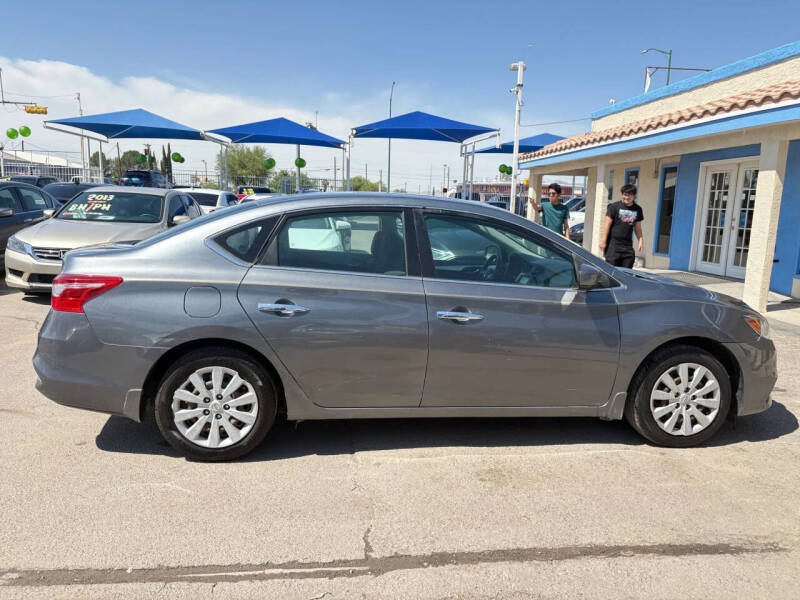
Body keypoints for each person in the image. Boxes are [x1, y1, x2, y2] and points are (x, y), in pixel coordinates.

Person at [600, 183, 644, 268]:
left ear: (634, 196)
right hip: (613, 246)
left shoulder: (637, 209)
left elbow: (638, 227)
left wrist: (640, 240)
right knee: (611, 272)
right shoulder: (614, 207)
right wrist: (603, 241)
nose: (626, 197)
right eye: (625, 194)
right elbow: (607, 225)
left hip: (627, 247)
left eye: (629, 195)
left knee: (626, 273)